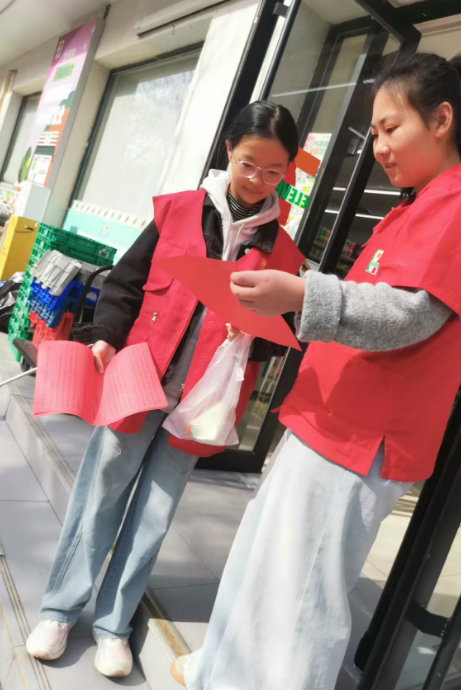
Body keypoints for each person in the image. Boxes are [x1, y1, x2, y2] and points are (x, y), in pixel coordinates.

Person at [172, 52, 461, 689]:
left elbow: (409, 314)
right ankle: (224, 672)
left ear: (442, 120)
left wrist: (302, 294)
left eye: (390, 127)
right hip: (334, 421)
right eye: (375, 132)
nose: (378, 146)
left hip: (361, 436)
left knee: (301, 599)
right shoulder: (418, 206)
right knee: (269, 568)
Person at [25, 101, 303, 678]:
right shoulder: (178, 210)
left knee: (155, 512)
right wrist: (106, 337)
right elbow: (125, 283)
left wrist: (255, 333)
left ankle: (113, 625)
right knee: (101, 492)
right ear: (229, 150)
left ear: (288, 172)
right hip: (141, 378)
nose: (258, 180)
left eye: (274, 172)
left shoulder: (283, 252)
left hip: (205, 401)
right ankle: (58, 610)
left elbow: (282, 336)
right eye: (249, 164)